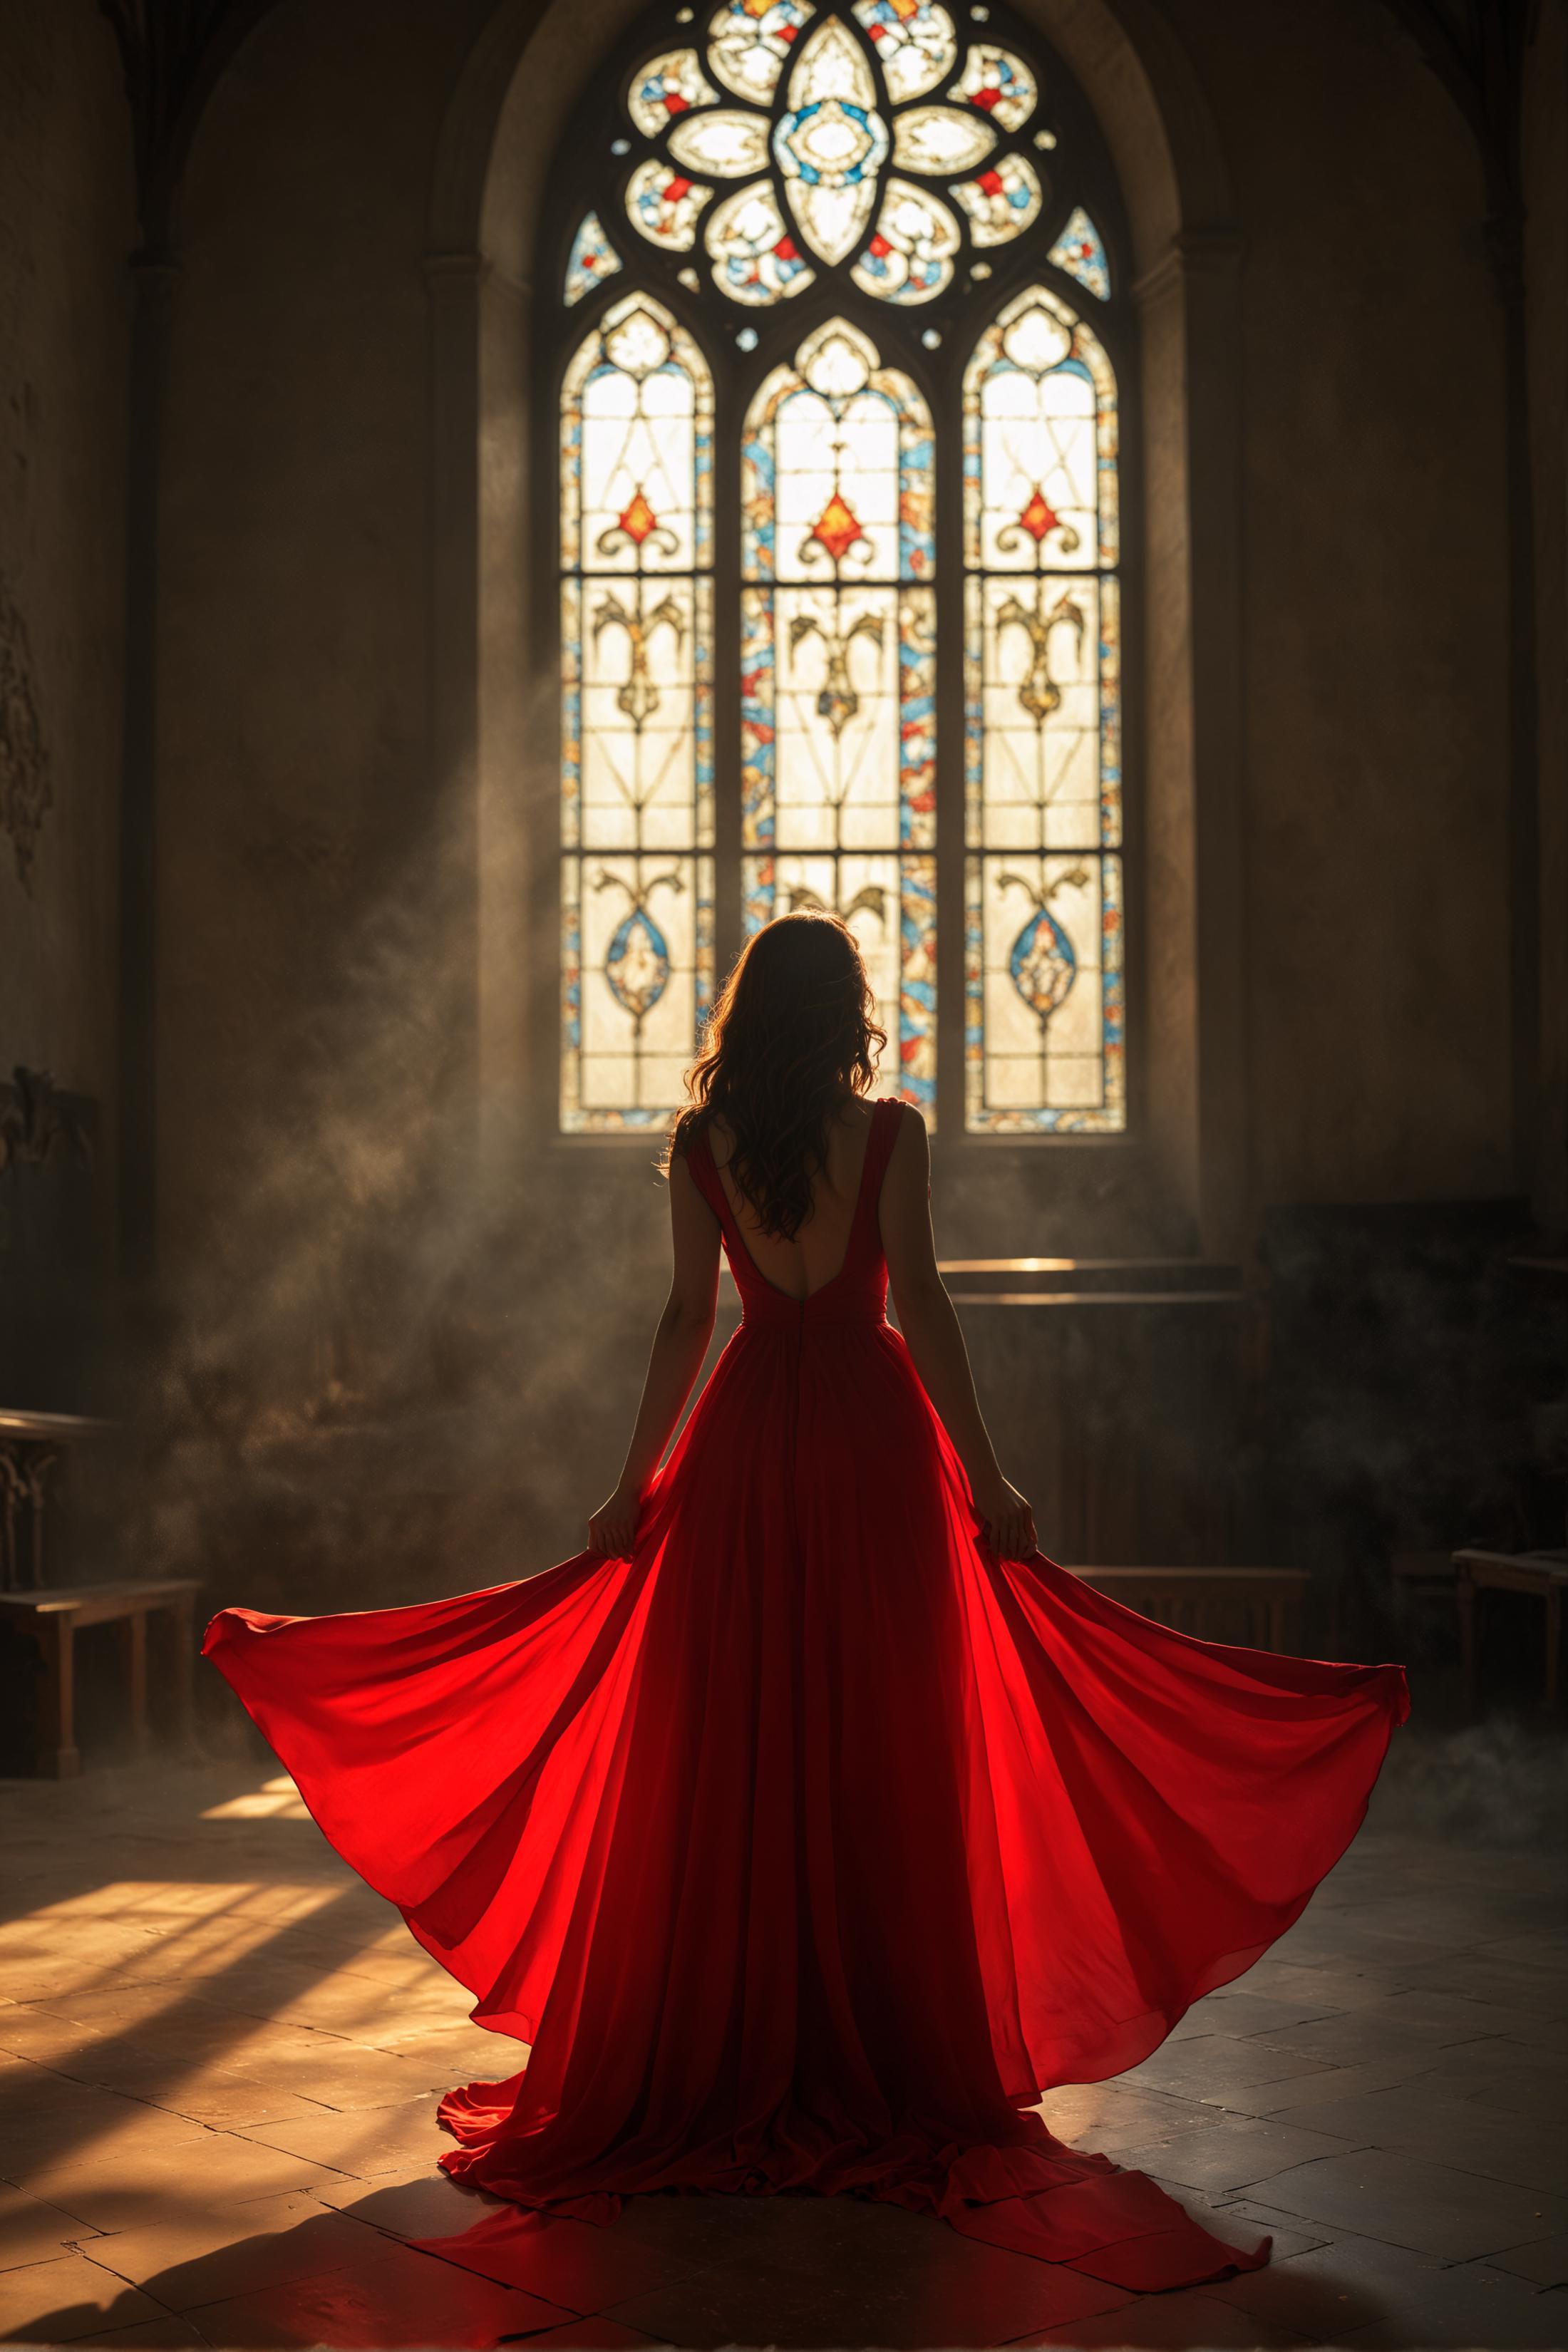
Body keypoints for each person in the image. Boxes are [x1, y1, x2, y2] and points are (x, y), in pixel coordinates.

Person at [205, 909, 1408, 2293]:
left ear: (739, 1015)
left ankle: (724, 2038)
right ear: (842, 1016)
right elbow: (925, 1308)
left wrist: (629, 1487)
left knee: (725, 1752)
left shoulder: (700, 1147)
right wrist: (989, 1476)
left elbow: (681, 1320)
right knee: (879, 1745)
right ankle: (878, 2047)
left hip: (739, 1453)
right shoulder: (888, 1135)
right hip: (871, 1447)